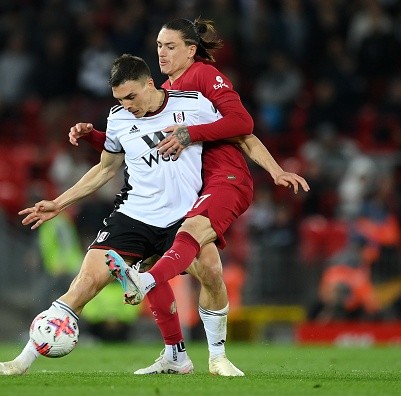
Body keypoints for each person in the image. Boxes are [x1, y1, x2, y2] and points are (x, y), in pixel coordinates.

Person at [70, 18, 309, 374]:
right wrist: (93, 137)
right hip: (196, 186)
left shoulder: (201, 76)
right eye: (158, 47)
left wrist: (192, 136)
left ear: (191, 50)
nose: (162, 53)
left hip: (225, 178)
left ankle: (198, 337)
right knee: (205, 268)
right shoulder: (165, 89)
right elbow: (129, 143)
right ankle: (177, 355)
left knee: (191, 233)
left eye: (170, 46)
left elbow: (243, 125)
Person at [0, 53, 229, 376]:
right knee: (84, 283)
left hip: (184, 218)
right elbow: (105, 169)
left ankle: (217, 357)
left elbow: (234, 131)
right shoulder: (118, 118)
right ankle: (23, 361)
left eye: (131, 96)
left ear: (150, 83)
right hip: (132, 216)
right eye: (119, 98)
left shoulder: (195, 105)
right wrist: (59, 203)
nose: (126, 104)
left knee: (212, 271)